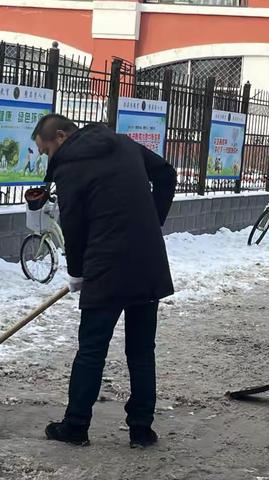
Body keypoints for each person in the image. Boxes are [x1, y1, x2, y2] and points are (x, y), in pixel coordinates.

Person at [31, 114, 177, 447]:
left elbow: (74, 225)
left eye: (46, 149)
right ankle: (141, 429)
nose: (46, 157)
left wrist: (77, 272)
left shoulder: (70, 166)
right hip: (145, 262)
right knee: (141, 350)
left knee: (92, 349)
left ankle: (76, 425)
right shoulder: (123, 143)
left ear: (62, 137)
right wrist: (152, 224)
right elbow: (167, 174)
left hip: (106, 267)